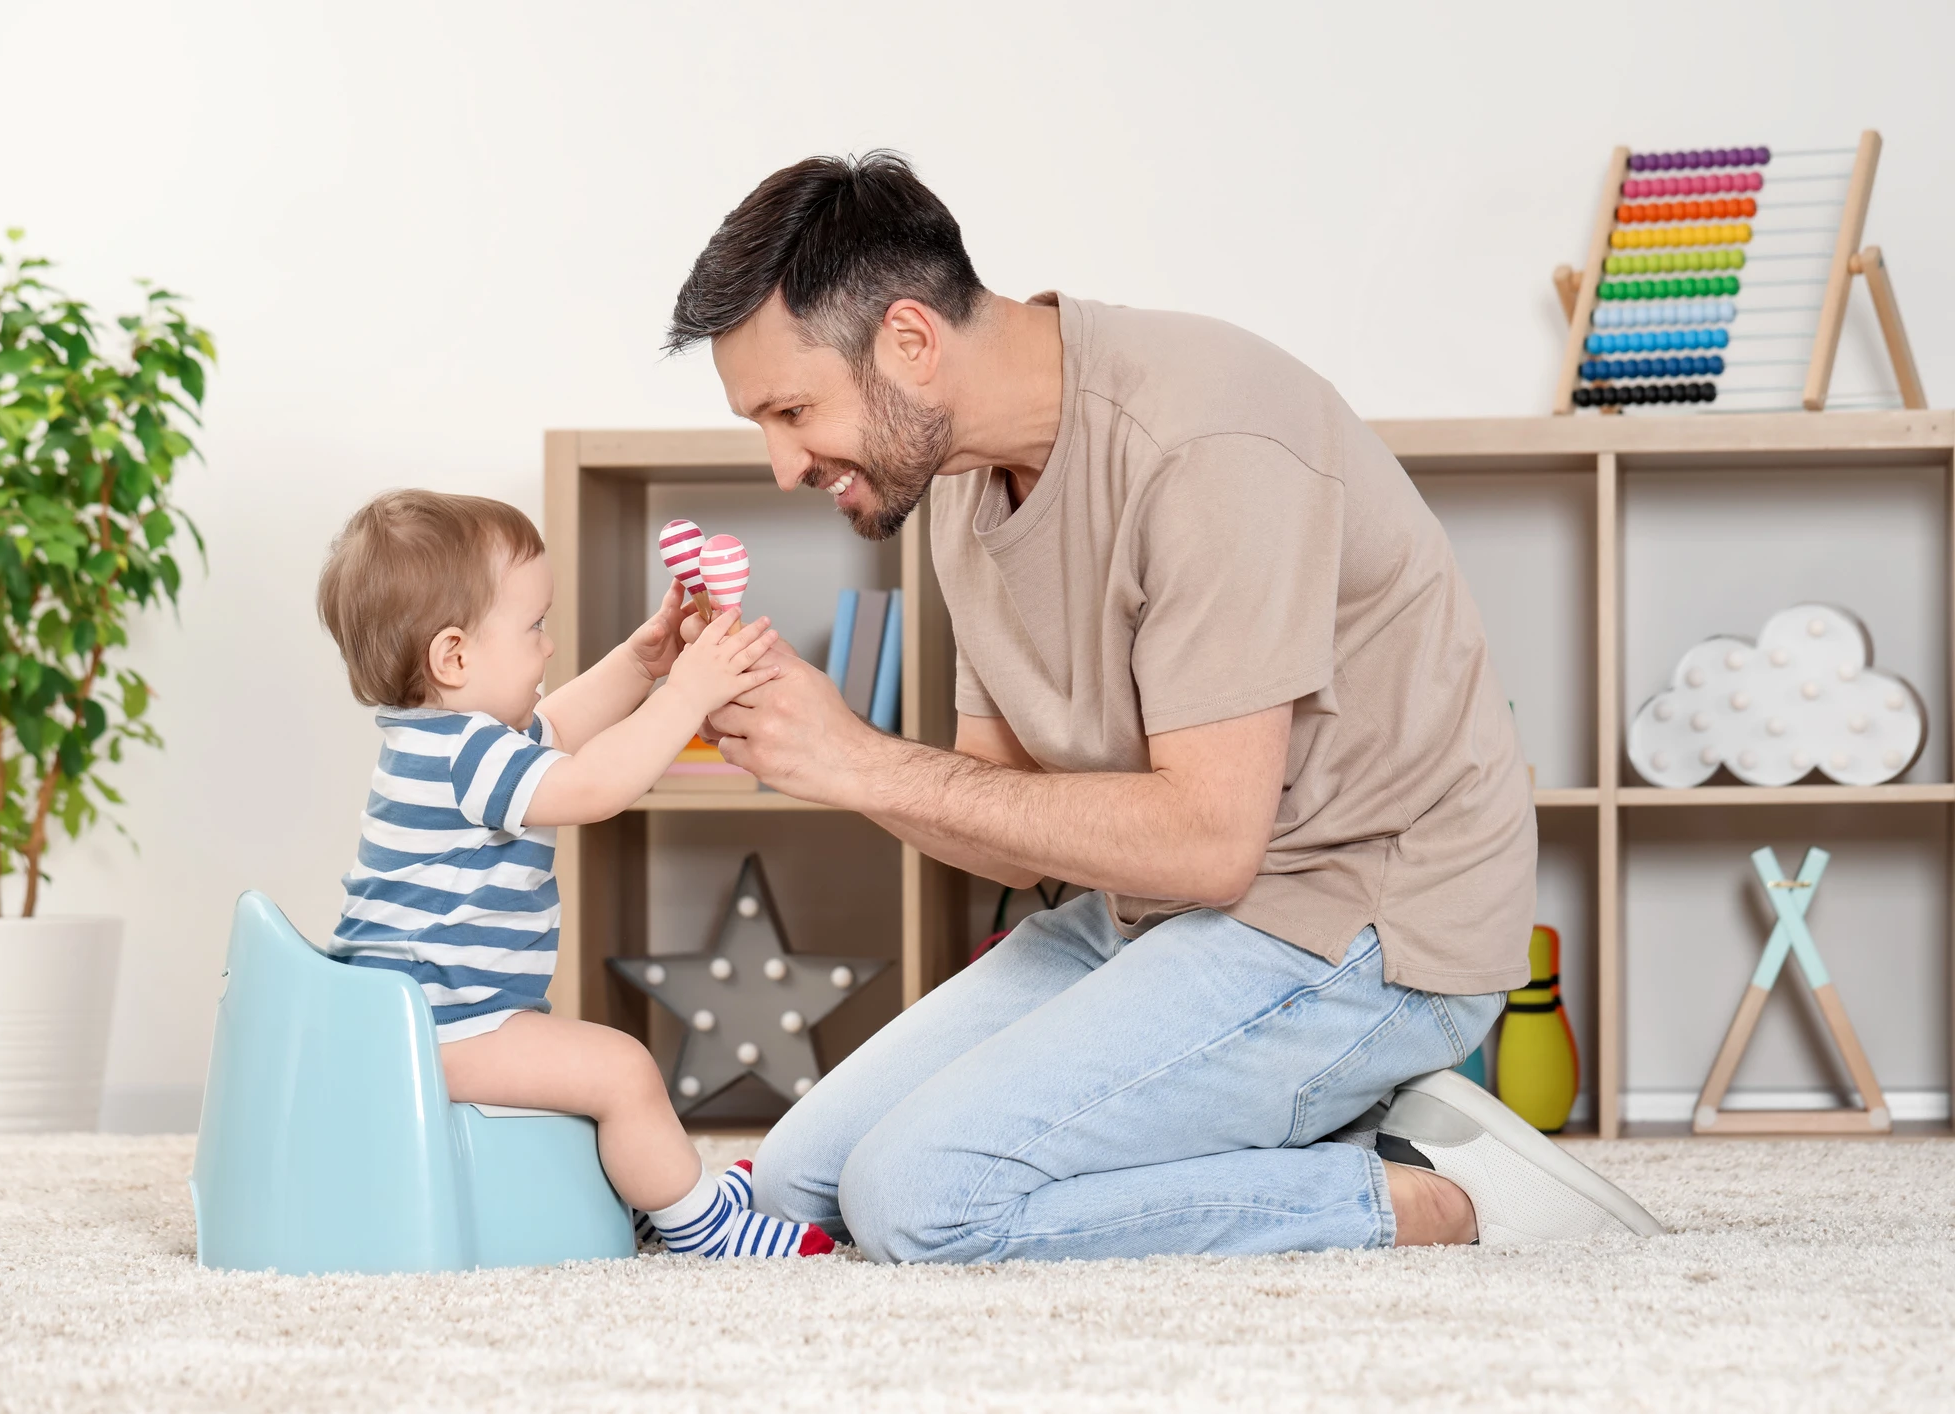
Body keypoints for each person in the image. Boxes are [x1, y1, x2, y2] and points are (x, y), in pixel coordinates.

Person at [664, 153, 1664, 1260]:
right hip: (1153, 916)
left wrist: (859, 761)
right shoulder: (956, 479)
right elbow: (1003, 833)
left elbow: (1206, 843)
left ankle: (1425, 1196)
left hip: (1358, 930)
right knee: (802, 1183)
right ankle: (1252, 1118)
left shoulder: (1204, 440)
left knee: (922, 1202)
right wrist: (817, 755)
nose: (780, 464)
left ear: (909, 341)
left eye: (792, 411)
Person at [315, 489, 829, 1258]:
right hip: (439, 1027)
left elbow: (560, 726)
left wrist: (643, 663)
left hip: (434, 1016)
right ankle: (704, 1232)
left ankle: (663, 1193)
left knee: (599, 1070)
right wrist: (689, 695)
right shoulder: (469, 754)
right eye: (534, 628)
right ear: (453, 656)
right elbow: (592, 787)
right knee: (620, 1070)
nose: (549, 648)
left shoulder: (451, 738)